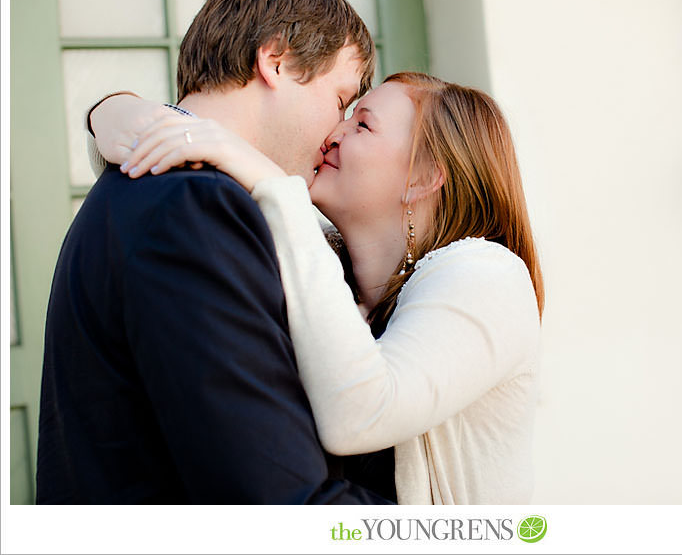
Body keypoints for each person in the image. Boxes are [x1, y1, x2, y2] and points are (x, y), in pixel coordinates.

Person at [88, 71, 545, 504]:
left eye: (362, 123)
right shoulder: (323, 264)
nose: (334, 133)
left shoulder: (487, 275)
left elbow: (362, 416)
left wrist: (272, 182)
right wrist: (110, 112)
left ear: (424, 178)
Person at [36, 0, 393, 504]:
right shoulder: (193, 207)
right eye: (340, 100)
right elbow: (274, 499)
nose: (336, 134)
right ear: (276, 60)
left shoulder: (159, 190)